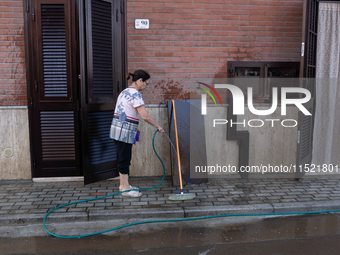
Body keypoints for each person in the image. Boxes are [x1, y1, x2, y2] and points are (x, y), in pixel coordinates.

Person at [110, 70, 164, 197]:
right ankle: (124, 188)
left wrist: (135, 127)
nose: (146, 86)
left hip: (117, 129)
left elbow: (125, 111)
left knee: (122, 157)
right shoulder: (136, 94)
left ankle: (124, 185)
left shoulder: (124, 92)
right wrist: (158, 126)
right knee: (124, 159)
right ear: (140, 81)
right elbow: (144, 116)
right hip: (124, 132)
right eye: (146, 83)